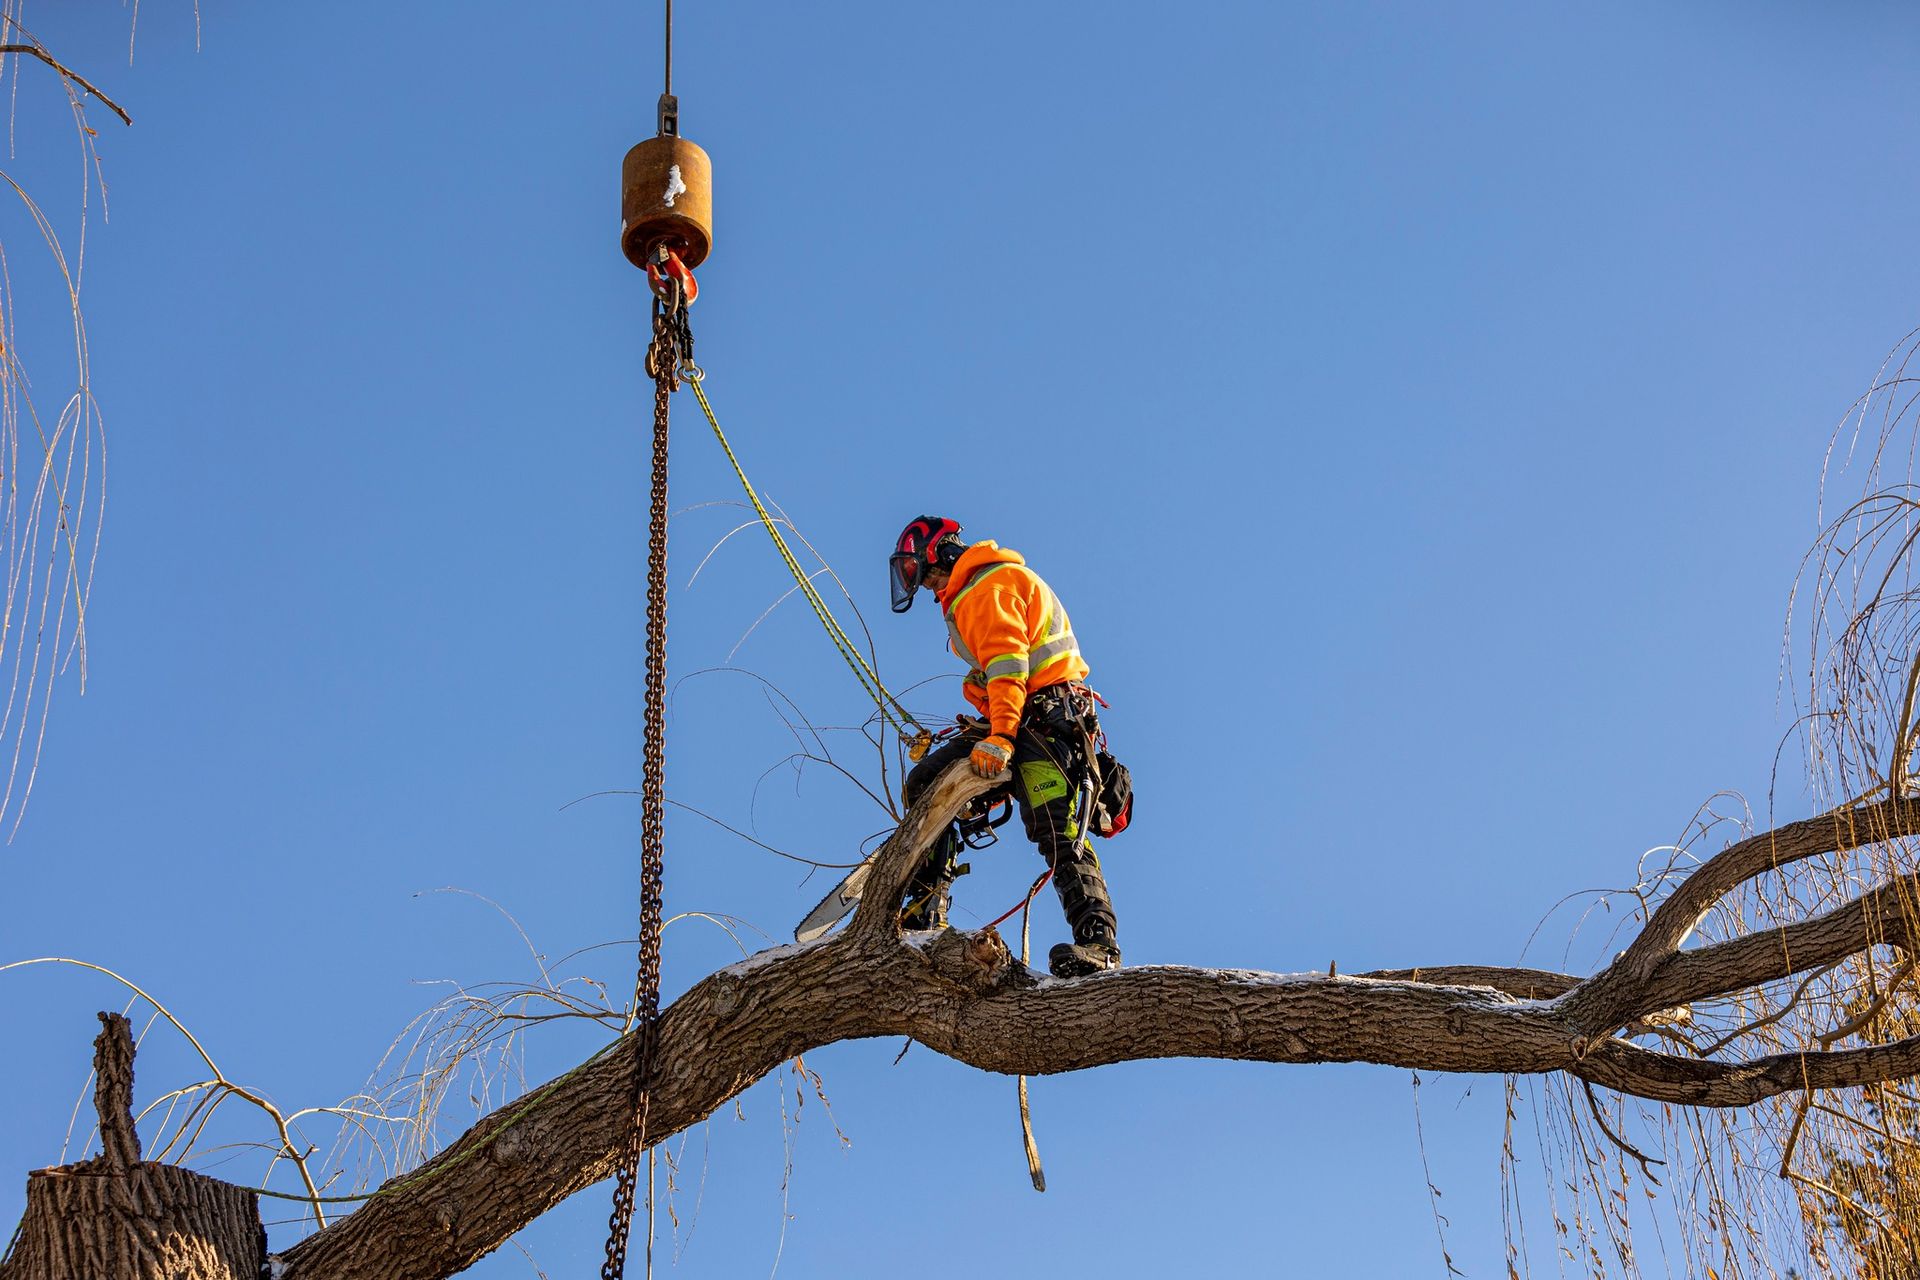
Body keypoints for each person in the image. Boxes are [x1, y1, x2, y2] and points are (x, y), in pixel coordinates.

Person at [887, 514, 1122, 978]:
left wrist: (999, 737)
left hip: (1046, 724)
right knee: (928, 783)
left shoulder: (985, 589)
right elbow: (996, 675)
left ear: (939, 552)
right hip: (1020, 720)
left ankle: (1099, 944)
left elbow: (1009, 665)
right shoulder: (974, 592)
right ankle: (925, 909)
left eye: (920, 569)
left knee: (1058, 831)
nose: (924, 583)